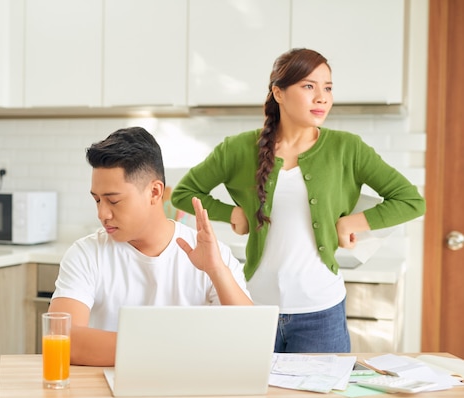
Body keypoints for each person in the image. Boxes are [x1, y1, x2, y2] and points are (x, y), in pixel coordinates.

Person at [170, 48, 426, 353]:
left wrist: (351, 222)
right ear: (278, 93)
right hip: (254, 308)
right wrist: (232, 213)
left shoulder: (347, 149)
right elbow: (184, 193)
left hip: (322, 312)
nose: (322, 97)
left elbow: (411, 200)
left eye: (328, 88)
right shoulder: (238, 149)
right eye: (309, 86)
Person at [48, 126, 253, 366]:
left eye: (113, 200)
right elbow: (63, 338)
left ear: (155, 192)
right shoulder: (86, 254)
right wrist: (173, 349)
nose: (102, 213)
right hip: (106, 393)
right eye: (97, 200)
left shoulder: (211, 255)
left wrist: (217, 272)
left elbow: (248, 339)